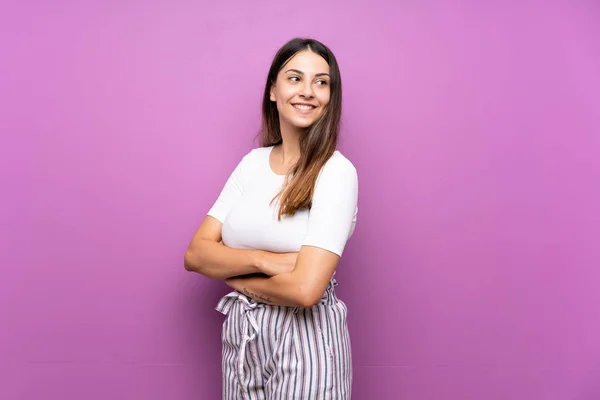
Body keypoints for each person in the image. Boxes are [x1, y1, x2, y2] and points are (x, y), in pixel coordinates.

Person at [184, 37, 358, 400]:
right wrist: (263, 261)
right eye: (295, 78)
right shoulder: (252, 164)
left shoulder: (336, 172)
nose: (308, 91)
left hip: (305, 339)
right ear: (273, 91)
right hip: (243, 338)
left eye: (321, 82)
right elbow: (196, 254)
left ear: (330, 97)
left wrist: (234, 278)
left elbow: (305, 291)